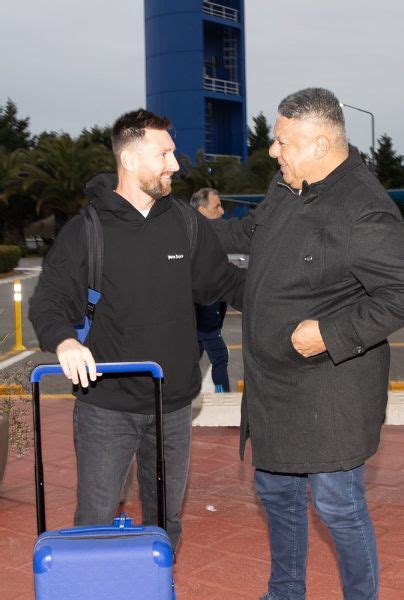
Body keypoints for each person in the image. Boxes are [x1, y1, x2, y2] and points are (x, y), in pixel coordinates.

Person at [210, 88, 404, 599]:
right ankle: (285, 592)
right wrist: (177, 230)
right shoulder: (286, 186)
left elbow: (398, 293)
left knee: (338, 504)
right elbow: (247, 234)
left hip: (330, 394)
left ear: (320, 144)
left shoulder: (366, 210)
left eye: (282, 141)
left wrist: (331, 333)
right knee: (275, 491)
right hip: (275, 388)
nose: (273, 151)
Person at [29, 108, 245, 552]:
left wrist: (293, 302)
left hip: (174, 404)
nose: (175, 164)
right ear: (129, 160)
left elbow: (224, 283)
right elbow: (49, 302)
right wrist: (65, 340)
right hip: (105, 406)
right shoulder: (86, 231)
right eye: (165, 153)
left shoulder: (186, 223)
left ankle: (155, 585)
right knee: (95, 519)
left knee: (166, 521)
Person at [190, 188, 230, 392]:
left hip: (206, 316)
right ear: (202, 210)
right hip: (204, 318)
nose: (222, 211)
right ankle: (222, 397)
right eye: (217, 207)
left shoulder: (205, 237)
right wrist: (210, 324)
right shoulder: (195, 241)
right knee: (220, 357)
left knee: (190, 358)